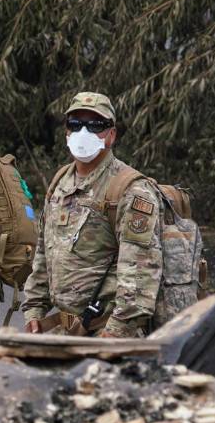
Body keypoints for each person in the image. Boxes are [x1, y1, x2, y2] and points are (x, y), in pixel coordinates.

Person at [22, 92, 163, 338]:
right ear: (66, 131)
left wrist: (116, 332)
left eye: (95, 125)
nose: (83, 133)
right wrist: (34, 309)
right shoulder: (60, 181)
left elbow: (141, 271)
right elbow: (45, 251)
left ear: (111, 135)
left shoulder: (131, 190)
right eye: (75, 125)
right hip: (65, 330)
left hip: (108, 332)